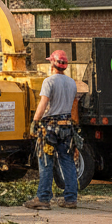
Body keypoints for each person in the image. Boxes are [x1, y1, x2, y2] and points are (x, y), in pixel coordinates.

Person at [24, 49, 80, 210]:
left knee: (46, 162)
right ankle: (70, 199)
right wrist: (75, 125)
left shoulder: (49, 82)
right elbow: (74, 106)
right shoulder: (71, 83)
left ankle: (43, 198)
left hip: (50, 129)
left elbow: (43, 104)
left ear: (53, 64)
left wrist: (35, 121)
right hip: (67, 127)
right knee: (67, 161)